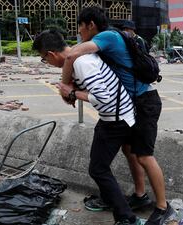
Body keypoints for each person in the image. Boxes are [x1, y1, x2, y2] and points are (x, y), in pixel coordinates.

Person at [61, 6, 174, 225]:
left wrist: (65, 87)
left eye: (81, 29)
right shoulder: (108, 39)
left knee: (144, 155)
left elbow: (72, 54)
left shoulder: (107, 36)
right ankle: (140, 196)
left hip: (145, 102)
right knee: (129, 150)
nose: (80, 34)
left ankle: (163, 207)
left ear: (90, 25)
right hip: (135, 102)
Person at [32, 29, 142, 225]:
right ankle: (110, 200)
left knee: (98, 169)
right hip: (113, 117)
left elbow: (103, 97)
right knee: (98, 164)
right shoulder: (78, 58)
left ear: (51, 54)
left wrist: (73, 93)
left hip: (118, 119)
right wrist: (73, 91)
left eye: (44, 59)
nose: (47, 63)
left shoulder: (83, 63)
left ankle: (127, 218)